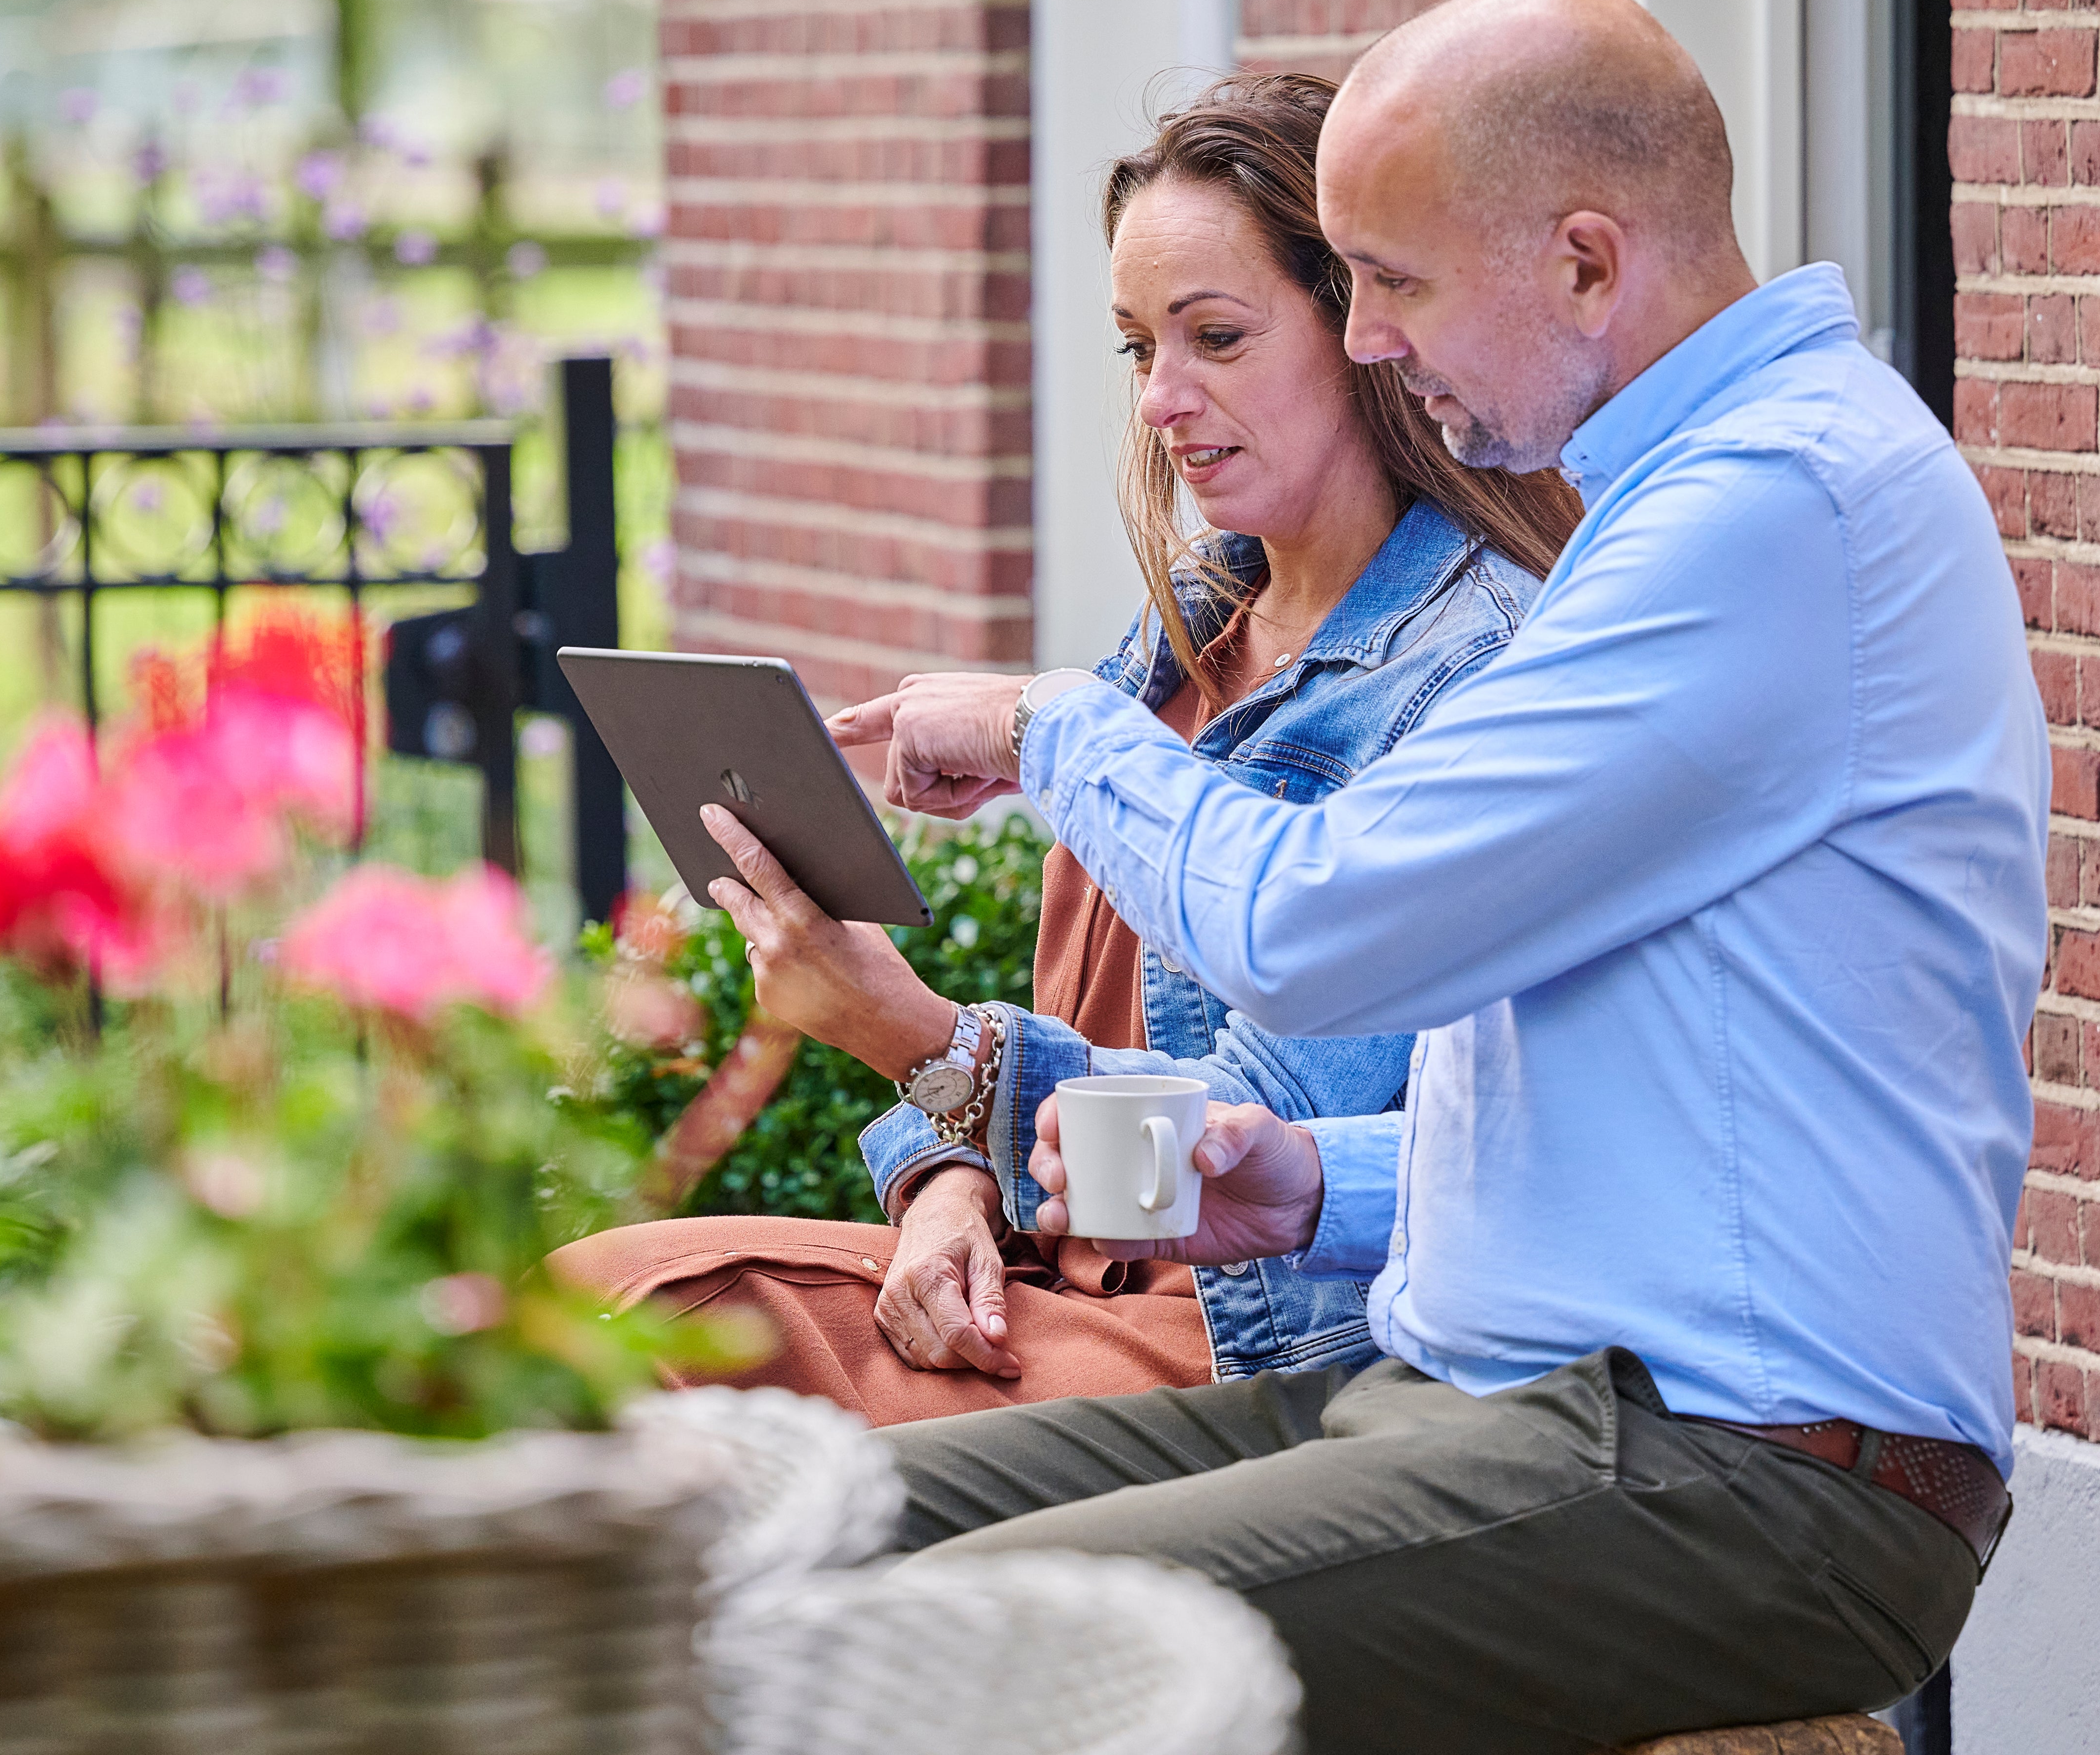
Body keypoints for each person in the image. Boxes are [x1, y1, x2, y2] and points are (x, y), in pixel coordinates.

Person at [828, 0, 2050, 1755]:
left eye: (1391, 282)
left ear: (1580, 261)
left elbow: (1319, 929)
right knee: (799, 1540)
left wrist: (1048, 730)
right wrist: (1315, 1186)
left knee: (961, 1660)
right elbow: (1681, 1105)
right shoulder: (1682, 502)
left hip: (1745, 1477)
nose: (1375, 341)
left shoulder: (1776, 509)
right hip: (1488, 1393)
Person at [553, 73, 1577, 1425]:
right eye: (1139, 348)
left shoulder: (1463, 673)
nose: (1162, 399)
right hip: (1045, 1279)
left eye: (1215, 337)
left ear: (1365, 334)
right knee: (584, 1309)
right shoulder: (1200, 623)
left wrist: (901, 1034)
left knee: (627, 1342)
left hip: (1240, 1337)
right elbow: (1065, 1043)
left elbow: (1234, 1140)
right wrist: (944, 1183)